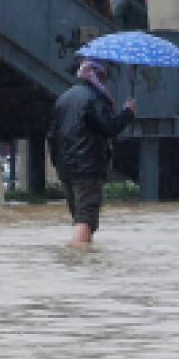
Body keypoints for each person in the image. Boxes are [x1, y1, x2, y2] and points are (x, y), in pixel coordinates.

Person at [48, 58, 135, 246]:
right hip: (87, 167)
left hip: (66, 169)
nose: (106, 82)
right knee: (86, 218)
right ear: (98, 75)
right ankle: (79, 259)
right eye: (104, 77)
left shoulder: (64, 98)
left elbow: (52, 136)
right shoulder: (95, 98)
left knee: (79, 216)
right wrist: (128, 113)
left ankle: (81, 258)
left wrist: (57, 162)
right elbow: (109, 128)